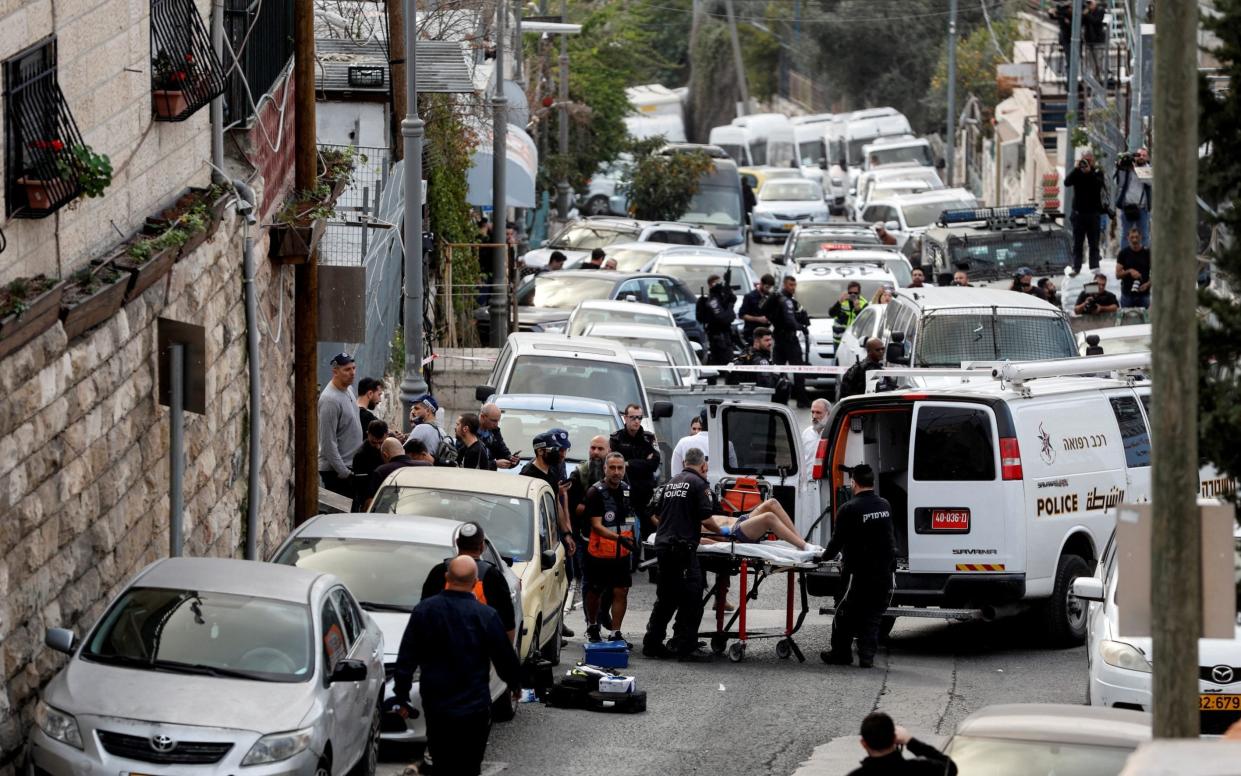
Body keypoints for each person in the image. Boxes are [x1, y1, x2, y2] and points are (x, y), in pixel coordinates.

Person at [389, 556, 522, 776]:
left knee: (441, 763)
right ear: (475, 582)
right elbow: (504, 656)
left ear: (446, 578)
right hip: (474, 707)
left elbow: (407, 657)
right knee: (469, 766)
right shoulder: (486, 616)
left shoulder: (425, 611)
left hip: (437, 705)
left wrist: (401, 694)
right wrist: (515, 684)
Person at [642, 447, 723, 661]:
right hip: (682, 549)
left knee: (666, 598)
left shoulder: (670, 483)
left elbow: (651, 511)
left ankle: (652, 643)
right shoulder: (699, 484)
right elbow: (706, 518)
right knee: (692, 597)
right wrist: (723, 532)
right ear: (703, 465)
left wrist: (668, 528)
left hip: (663, 546)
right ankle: (686, 647)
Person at [820, 464, 897, 668]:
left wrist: (820, 558)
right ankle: (867, 657)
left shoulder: (849, 508)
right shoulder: (884, 506)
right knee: (872, 615)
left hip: (857, 574)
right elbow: (890, 540)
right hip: (882, 573)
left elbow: (836, 542)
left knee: (844, 612)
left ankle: (841, 654)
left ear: (853, 482)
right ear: (872, 482)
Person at [419, 523, 518, 644]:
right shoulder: (492, 576)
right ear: (482, 546)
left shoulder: (439, 572)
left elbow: (423, 617)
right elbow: (507, 624)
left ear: (457, 542)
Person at [583, 452, 639, 645]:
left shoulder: (627, 490)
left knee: (621, 591)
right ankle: (592, 625)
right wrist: (618, 539)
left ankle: (616, 632)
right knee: (595, 590)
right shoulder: (595, 492)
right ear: (605, 468)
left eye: (620, 468)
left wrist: (633, 538)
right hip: (599, 553)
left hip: (622, 553)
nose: (616, 472)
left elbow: (630, 517)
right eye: (612, 468)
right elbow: (597, 525)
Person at [569, 435, 610, 612]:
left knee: (612, 582)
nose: (595, 452)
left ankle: (603, 613)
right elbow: (574, 508)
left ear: (608, 451)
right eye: (593, 448)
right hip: (585, 536)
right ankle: (591, 622)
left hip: (611, 537)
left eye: (600, 449)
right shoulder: (579, 473)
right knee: (589, 580)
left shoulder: (616, 472)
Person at [847, 712, 958, 776]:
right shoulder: (921, 769)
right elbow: (950, 768)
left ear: (863, 743)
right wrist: (910, 741)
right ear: (895, 739)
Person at [609, 405, 661, 540]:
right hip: (626, 495)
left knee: (649, 534)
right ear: (625, 418)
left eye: (639, 417)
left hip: (645, 495)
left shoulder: (648, 438)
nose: (636, 421)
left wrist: (629, 463)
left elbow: (653, 464)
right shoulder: (616, 439)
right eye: (633, 417)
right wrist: (642, 462)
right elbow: (615, 465)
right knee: (629, 533)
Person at [519, 430, 576, 555]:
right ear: (540, 451)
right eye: (554, 449)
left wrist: (566, 534)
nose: (559, 454)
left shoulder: (552, 471)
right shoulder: (528, 475)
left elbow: (556, 504)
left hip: (551, 535)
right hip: (534, 537)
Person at [763, 275, 812, 408]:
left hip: (778, 339)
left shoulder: (782, 299)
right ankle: (801, 399)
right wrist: (801, 327)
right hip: (789, 340)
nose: (793, 288)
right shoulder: (786, 301)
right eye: (791, 285)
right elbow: (790, 321)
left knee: (778, 370)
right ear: (785, 285)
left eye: (794, 285)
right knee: (798, 370)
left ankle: (778, 398)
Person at [318, 352, 362, 498]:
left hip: (350, 467)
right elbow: (327, 442)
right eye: (347, 369)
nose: (352, 373)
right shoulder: (330, 400)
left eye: (353, 368)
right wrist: (343, 472)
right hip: (336, 472)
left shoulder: (349, 389)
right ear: (335, 371)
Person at [709, 497, 818, 551]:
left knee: (772, 503)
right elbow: (700, 541)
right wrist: (725, 544)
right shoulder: (694, 523)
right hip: (732, 534)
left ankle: (800, 543)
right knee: (769, 518)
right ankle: (805, 546)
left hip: (739, 521)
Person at [1064, 152, 1108, 275]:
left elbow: (1098, 185)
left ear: (1093, 160)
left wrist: (1089, 172)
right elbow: (1066, 182)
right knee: (1077, 243)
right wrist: (1076, 169)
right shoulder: (1077, 172)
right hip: (1079, 214)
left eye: (1089, 160)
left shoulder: (1097, 172)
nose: (1087, 162)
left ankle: (1094, 266)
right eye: (1084, 160)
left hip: (1093, 214)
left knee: (1093, 242)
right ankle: (1076, 267)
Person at [359, 437, 424, 510]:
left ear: (385, 455)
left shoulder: (381, 471)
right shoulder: (426, 466)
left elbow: (370, 504)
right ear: (403, 450)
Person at [728, 327, 787, 402]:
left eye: (771, 339)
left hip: (741, 399)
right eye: (766, 340)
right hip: (758, 400)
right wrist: (775, 374)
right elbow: (767, 387)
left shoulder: (745, 354)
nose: (770, 343)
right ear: (756, 341)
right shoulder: (761, 361)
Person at [698, 273, 738, 365]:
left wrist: (728, 291)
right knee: (719, 359)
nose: (719, 285)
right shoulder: (712, 300)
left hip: (726, 333)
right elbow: (723, 317)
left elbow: (732, 299)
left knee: (728, 359)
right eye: (716, 283)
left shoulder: (721, 297)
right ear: (710, 285)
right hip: (716, 335)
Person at [350, 420, 388, 510]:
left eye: (381, 442)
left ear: (387, 435)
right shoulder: (361, 455)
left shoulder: (391, 445)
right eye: (374, 443)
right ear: (368, 434)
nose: (378, 447)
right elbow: (361, 485)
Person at [1114, 152, 1151, 247]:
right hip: (1127, 207)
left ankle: (1145, 259)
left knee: (1144, 235)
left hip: (1142, 208)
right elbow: (1119, 183)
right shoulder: (1127, 169)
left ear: (1147, 158)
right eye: (1138, 155)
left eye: (1143, 155)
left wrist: (1135, 168)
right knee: (1125, 235)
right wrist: (1120, 167)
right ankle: (1124, 259)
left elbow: (1149, 181)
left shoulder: (1148, 169)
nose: (1141, 157)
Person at [405, 394, 449, 462]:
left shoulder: (421, 428)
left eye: (416, 408)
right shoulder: (442, 432)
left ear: (428, 411)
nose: (413, 412)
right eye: (412, 409)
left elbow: (402, 453)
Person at [1115, 227, 1152, 308]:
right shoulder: (1123, 253)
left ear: (1141, 237)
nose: (1134, 240)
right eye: (1132, 237)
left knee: (1145, 320)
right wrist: (1129, 271)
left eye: (1137, 237)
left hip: (1144, 294)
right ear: (1128, 238)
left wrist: (1148, 284)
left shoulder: (1148, 253)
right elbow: (1117, 275)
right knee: (1126, 319)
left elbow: (1157, 274)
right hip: (1127, 294)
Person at [478, 403, 519, 469]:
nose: (496, 424)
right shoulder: (470, 431)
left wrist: (512, 459)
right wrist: (494, 464)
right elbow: (470, 463)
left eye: (498, 421)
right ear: (482, 417)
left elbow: (502, 451)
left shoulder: (494, 431)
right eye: (494, 421)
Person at [670, 409, 710, 474]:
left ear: (701, 422)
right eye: (694, 429)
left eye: (699, 429)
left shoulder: (683, 443)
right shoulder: (683, 443)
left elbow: (676, 474)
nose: (696, 431)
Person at [738, 274, 775, 341]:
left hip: (766, 333)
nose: (768, 289)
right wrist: (758, 319)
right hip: (752, 333)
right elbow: (742, 315)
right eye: (766, 287)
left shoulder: (770, 297)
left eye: (770, 288)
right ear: (761, 283)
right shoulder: (749, 296)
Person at [802, 398, 829, 470]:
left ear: (828, 414)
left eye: (818, 412)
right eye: (812, 412)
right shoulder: (806, 433)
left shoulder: (834, 434)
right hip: (807, 479)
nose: (814, 416)